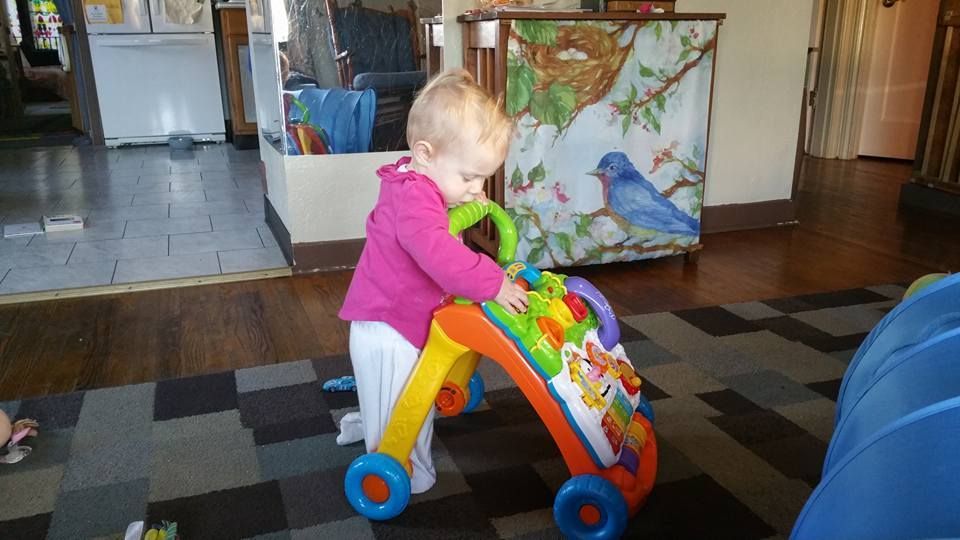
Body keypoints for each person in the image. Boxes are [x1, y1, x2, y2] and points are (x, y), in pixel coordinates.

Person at [337, 69, 529, 494]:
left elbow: (442, 210)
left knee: (402, 395)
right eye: (469, 177)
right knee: (406, 403)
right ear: (425, 153)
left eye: (483, 178)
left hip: (403, 317)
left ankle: (370, 426)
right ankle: (400, 469)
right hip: (387, 325)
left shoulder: (423, 180)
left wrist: (461, 194)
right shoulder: (414, 199)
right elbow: (439, 255)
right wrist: (492, 282)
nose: (478, 188)